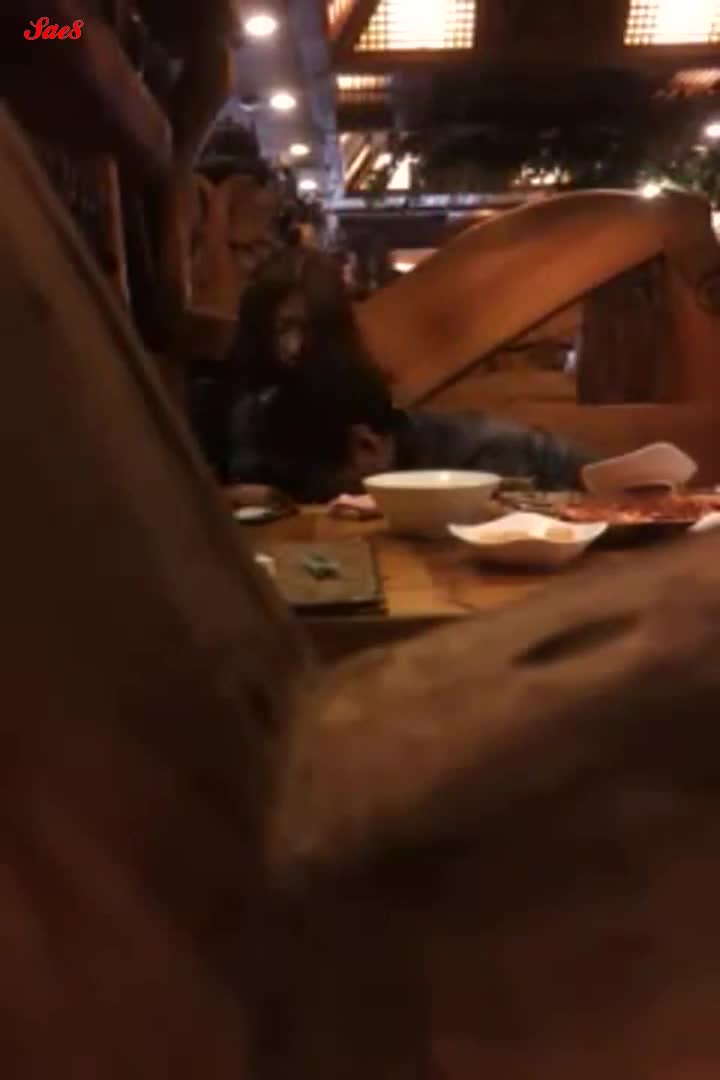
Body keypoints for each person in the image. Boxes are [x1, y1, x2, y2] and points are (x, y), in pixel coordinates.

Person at [255, 354, 595, 503]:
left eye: (331, 484)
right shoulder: (409, 449)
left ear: (366, 444)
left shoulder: (484, 462)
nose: (332, 497)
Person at [223, 248, 374, 505]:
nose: (294, 346)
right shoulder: (240, 399)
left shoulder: (360, 394)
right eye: (283, 328)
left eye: (307, 329)